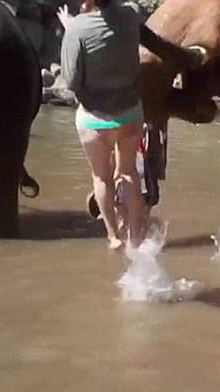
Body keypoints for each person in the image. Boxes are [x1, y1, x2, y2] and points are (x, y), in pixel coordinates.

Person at [59, 0, 146, 250]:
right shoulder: (131, 16)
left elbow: (71, 80)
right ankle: (136, 236)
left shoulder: (78, 27)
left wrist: (69, 29)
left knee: (102, 178)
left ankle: (113, 236)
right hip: (129, 113)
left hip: (94, 119)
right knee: (128, 173)